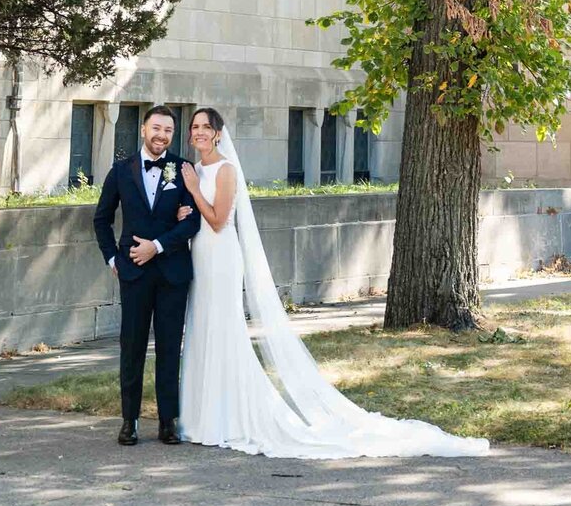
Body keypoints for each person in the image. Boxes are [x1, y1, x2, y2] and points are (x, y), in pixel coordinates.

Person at [177, 105, 488, 459]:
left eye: (205, 126)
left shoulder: (224, 169)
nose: (199, 132)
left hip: (221, 257)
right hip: (198, 255)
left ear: (218, 133)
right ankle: (201, 418)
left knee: (223, 330)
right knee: (202, 327)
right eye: (194, 126)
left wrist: (193, 191)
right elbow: (196, 214)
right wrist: (183, 209)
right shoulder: (196, 168)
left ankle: (229, 418)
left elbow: (218, 220)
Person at [92, 103, 201, 447]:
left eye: (168, 130)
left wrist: (157, 245)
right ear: (143, 129)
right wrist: (113, 259)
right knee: (132, 346)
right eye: (156, 128)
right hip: (134, 275)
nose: (162, 135)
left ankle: (168, 421)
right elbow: (102, 219)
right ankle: (130, 420)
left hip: (172, 273)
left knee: (170, 347)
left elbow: (192, 221)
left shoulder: (182, 169)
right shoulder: (120, 171)